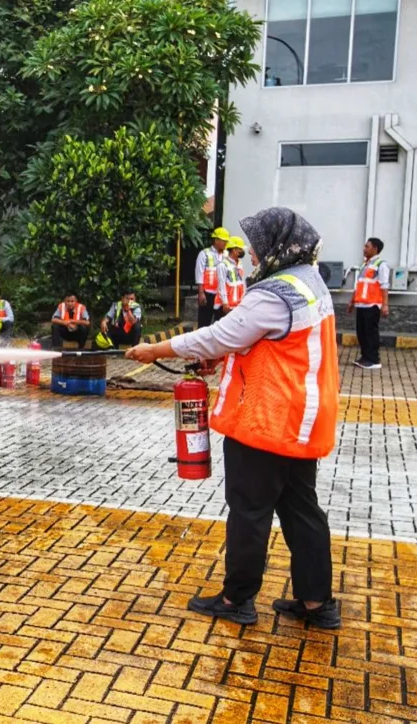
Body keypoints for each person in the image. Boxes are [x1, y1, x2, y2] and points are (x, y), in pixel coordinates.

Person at [126, 207, 340, 629]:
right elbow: (264, 342)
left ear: (279, 246)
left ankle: (236, 599)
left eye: (259, 247)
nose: (255, 255)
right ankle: (318, 603)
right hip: (301, 420)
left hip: (266, 422)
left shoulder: (275, 292)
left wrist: (157, 350)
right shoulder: (310, 282)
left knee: (249, 511)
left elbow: (221, 335)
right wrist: (223, 356)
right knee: (302, 511)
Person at [348, 237, 389, 370]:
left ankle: (374, 360)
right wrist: (352, 301)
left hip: (372, 305)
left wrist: (385, 304)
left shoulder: (381, 265)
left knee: (370, 333)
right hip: (361, 304)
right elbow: (359, 284)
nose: (364, 249)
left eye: (367, 246)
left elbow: (384, 286)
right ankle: (365, 357)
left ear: (375, 248)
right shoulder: (365, 265)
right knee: (362, 332)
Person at [196, 227, 230, 328]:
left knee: (220, 324)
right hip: (208, 294)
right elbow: (199, 273)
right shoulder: (204, 254)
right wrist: (201, 293)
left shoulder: (227, 255)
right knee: (204, 322)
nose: (225, 243)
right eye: (223, 241)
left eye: (226, 241)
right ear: (216, 240)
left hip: (221, 296)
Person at [215, 236, 247, 314]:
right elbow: (221, 286)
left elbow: (240, 284)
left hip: (237, 305)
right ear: (234, 250)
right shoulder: (223, 265)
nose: (242, 251)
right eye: (240, 249)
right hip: (225, 307)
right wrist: (225, 303)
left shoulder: (239, 264)